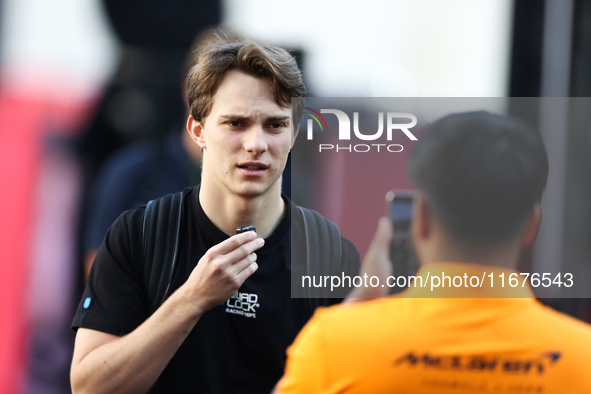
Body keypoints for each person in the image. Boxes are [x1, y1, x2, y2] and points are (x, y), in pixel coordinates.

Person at [70, 31, 360, 394]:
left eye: (275, 125)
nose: (256, 144)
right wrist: (192, 299)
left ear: (295, 135)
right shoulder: (136, 231)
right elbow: (89, 388)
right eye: (235, 123)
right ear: (197, 130)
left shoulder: (328, 258)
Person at [276, 111, 591, 393]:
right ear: (532, 226)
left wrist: (353, 308)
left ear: (420, 218)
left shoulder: (333, 345)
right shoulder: (583, 358)